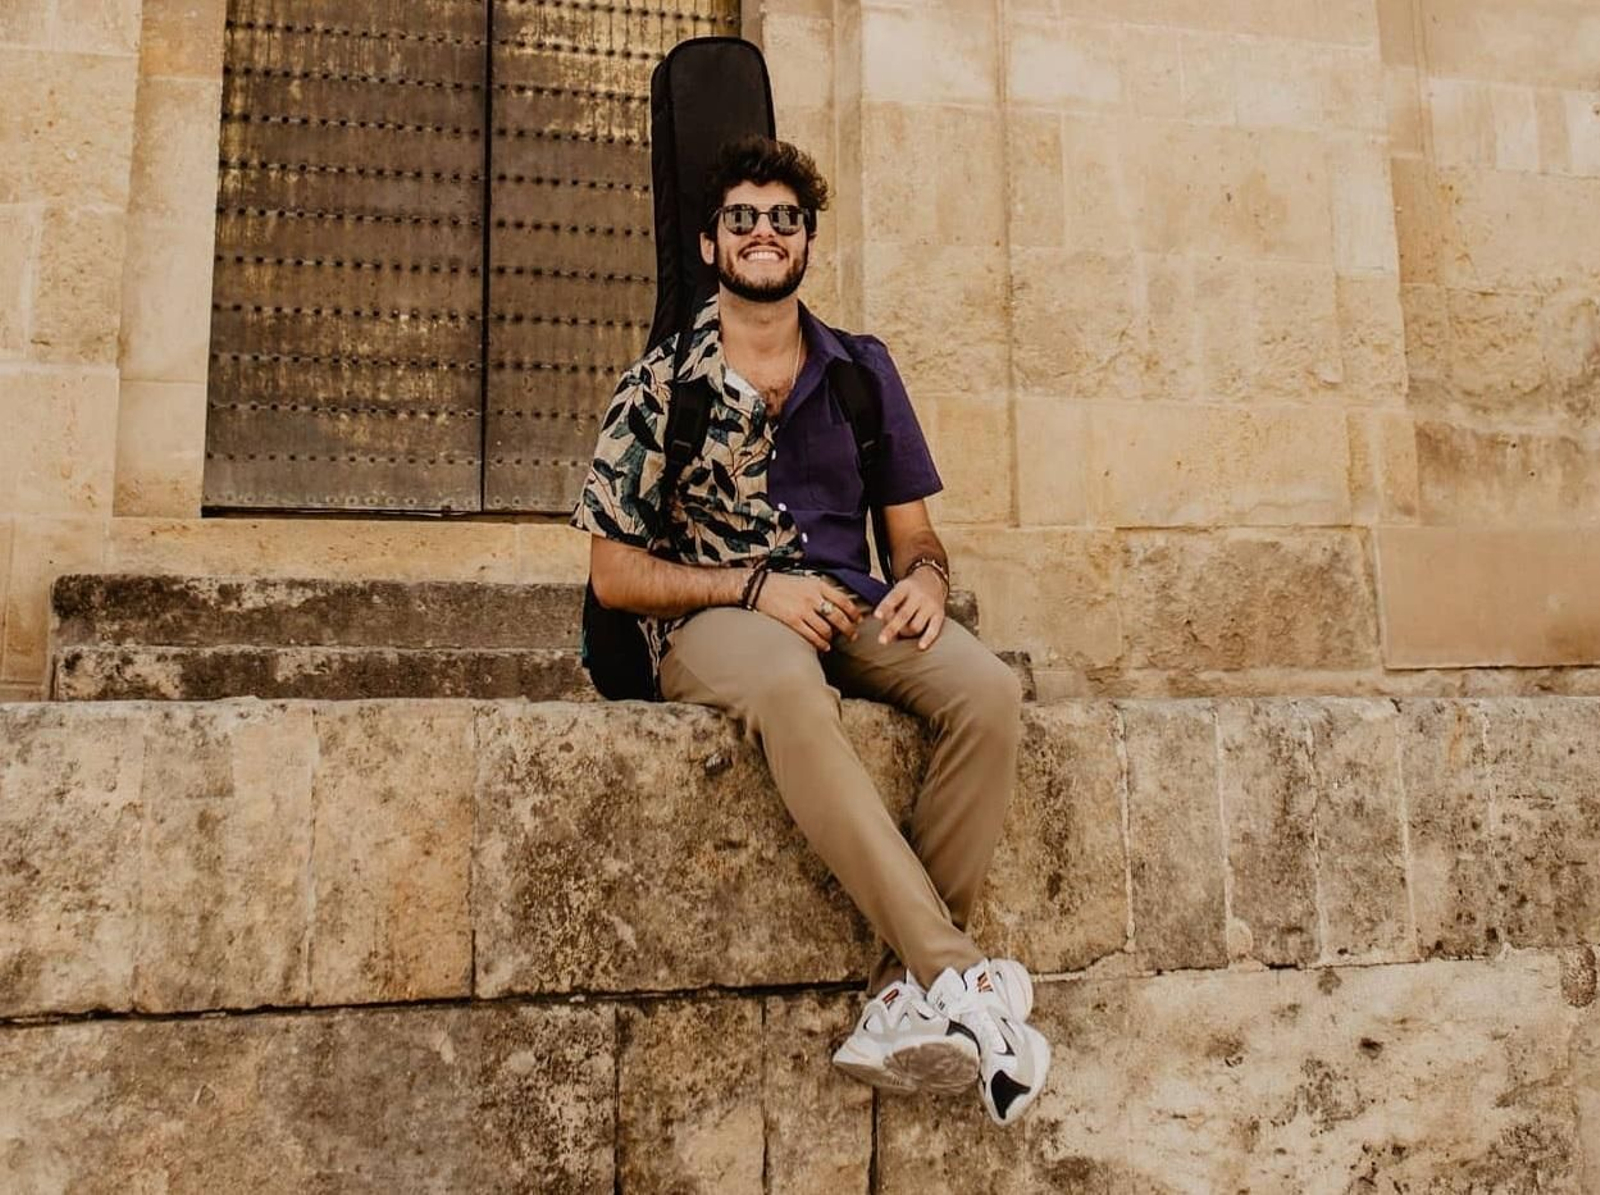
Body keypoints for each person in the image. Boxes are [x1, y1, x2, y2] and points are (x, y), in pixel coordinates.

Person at [571, 135, 1050, 1126]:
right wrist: (750, 590)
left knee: (988, 690)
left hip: (848, 601)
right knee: (790, 686)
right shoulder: (660, 386)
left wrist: (922, 581)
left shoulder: (861, 372)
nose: (763, 233)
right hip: (714, 620)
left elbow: (917, 537)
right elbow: (614, 577)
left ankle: (901, 996)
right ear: (710, 244)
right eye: (742, 217)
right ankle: (955, 974)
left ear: (805, 242)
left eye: (783, 219)